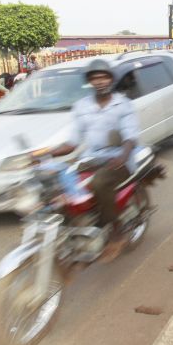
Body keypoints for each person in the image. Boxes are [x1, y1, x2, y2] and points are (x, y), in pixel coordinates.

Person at [48, 59, 140, 260]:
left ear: (111, 80)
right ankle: (74, 230)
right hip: (90, 159)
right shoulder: (82, 106)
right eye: (94, 78)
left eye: (103, 77)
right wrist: (45, 154)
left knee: (99, 183)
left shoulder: (122, 104)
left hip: (119, 160)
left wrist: (123, 156)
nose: (99, 82)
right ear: (90, 82)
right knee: (61, 185)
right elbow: (72, 142)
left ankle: (117, 231)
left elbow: (130, 136)